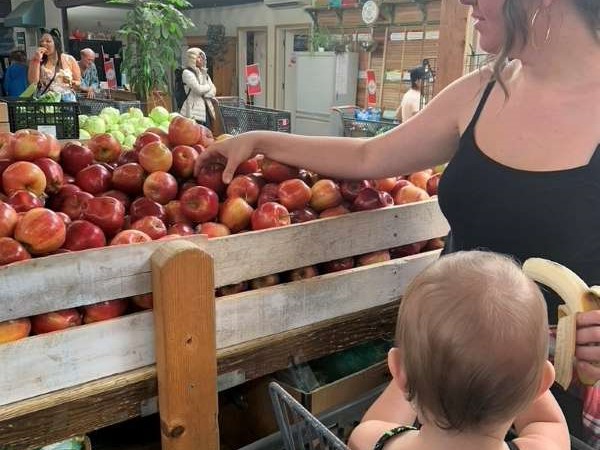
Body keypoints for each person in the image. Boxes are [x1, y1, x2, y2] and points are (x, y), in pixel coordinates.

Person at [196, 0, 600, 444]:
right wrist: (258, 140)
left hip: (552, 394)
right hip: (443, 378)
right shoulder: (482, 90)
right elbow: (370, 155)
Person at [348, 250, 569, 450]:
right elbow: (546, 423)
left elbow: (368, 428)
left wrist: (415, 368)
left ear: (398, 371)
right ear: (542, 382)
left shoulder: (377, 441)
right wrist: (523, 375)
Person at [28, 29, 81, 101]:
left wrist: (71, 82)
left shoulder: (69, 59)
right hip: (47, 102)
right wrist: (37, 60)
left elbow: (79, 83)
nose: (44, 43)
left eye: (48, 41)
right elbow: (33, 83)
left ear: (56, 43)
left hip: (67, 101)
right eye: (42, 41)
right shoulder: (36, 60)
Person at [180, 47, 217, 127]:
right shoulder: (187, 73)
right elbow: (198, 89)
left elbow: (213, 89)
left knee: (207, 133)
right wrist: (207, 87)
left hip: (206, 109)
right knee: (195, 135)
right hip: (193, 112)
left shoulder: (204, 73)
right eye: (198, 57)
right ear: (192, 58)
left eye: (202, 57)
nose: (201, 59)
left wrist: (206, 94)